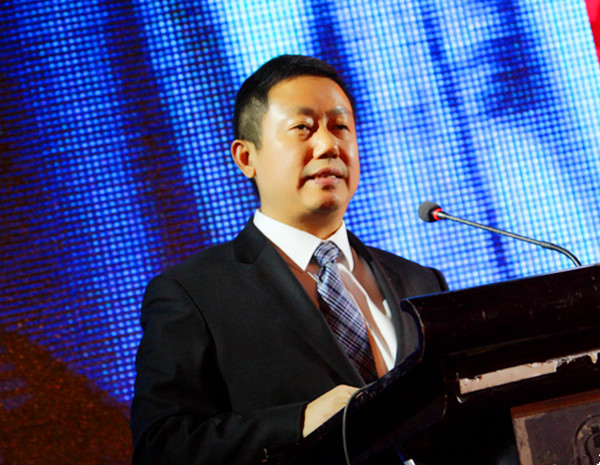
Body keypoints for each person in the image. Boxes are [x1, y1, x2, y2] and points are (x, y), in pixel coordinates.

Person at [130, 54, 447, 465]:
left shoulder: (421, 283)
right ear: (246, 158)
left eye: (341, 127)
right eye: (302, 128)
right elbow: (162, 447)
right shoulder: (193, 294)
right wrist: (299, 422)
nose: (329, 145)